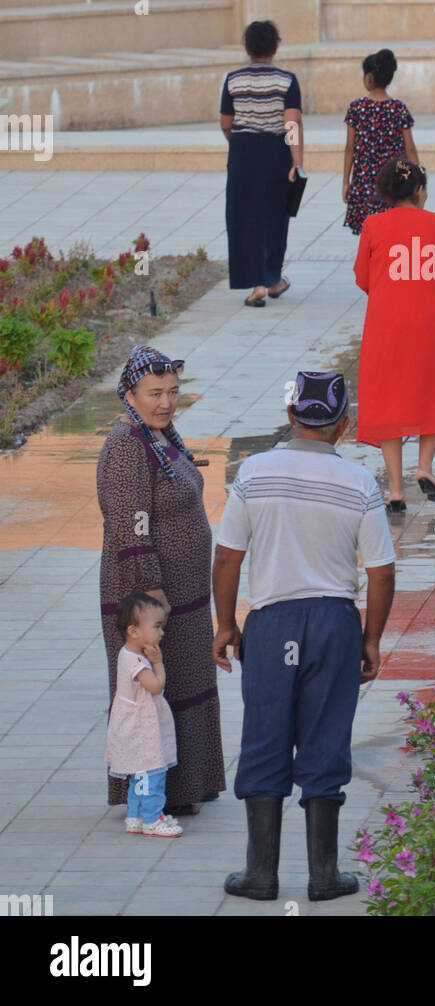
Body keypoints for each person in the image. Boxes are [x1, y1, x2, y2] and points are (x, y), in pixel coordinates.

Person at [213, 371, 396, 902]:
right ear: (344, 425)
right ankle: (323, 876)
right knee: (325, 736)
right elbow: (381, 572)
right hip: (334, 623)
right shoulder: (360, 483)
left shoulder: (253, 472)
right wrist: (370, 639)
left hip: (271, 625)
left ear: (292, 416)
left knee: (265, 735)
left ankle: (260, 875)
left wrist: (226, 624)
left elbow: (228, 556)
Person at [97, 345, 225, 818]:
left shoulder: (158, 435)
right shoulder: (129, 448)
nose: (166, 403)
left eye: (172, 392)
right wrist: (153, 598)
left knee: (188, 686)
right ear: (129, 393)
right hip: (151, 599)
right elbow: (131, 528)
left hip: (182, 595)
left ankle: (191, 782)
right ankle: (161, 794)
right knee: (155, 693)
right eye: (154, 393)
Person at [354, 158, 435, 511]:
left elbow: (363, 277)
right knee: (433, 391)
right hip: (429, 321)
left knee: (388, 400)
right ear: (420, 190)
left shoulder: (373, 225)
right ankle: (424, 467)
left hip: (385, 324)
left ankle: (395, 490)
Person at [220, 18, 304, 307]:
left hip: (242, 151)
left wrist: (242, 144)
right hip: (275, 153)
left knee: (243, 217)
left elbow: (226, 124)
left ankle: (256, 285)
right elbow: (291, 124)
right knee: (274, 217)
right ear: (275, 47)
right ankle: (273, 279)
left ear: (246, 47)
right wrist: (296, 162)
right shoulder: (287, 80)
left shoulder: (233, 79)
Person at [105, 591, 182, 838]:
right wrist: (158, 663)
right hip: (141, 729)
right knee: (152, 773)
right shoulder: (137, 662)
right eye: (157, 627)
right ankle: (152, 818)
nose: (162, 633)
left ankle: (135, 817)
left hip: (132, 726)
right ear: (134, 631)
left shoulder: (127, 654)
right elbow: (156, 686)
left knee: (138, 773)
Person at [343, 48, 419, 235]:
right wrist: (417, 180)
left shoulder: (357, 108)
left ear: (369, 78)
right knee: (393, 233)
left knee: (370, 235)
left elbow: (350, 148)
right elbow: (409, 148)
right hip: (394, 185)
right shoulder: (398, 108)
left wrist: (346, 182)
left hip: (364, 184)